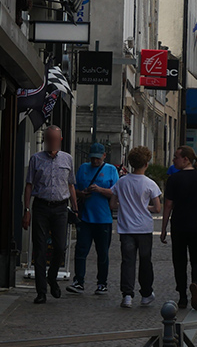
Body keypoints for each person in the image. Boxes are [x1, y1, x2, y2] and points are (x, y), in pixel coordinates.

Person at [22, 125, 78, 304]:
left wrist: (75, 208)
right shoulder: (36, 159)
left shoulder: (67, 159)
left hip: (61, 208)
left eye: (54, 139)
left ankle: (52, 277)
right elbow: (29, 185)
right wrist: (27, 210)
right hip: (41, 207)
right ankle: (41, 291)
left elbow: (71, 185)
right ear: (45, 140)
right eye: (48, 139)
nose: (51, 142)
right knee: (39, 249)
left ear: (60, 140)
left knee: (60, 247)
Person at [161, 146, 197, 310]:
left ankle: (182, 297)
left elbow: (167, 205)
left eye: (176, 157)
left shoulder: (173, 179)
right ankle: (195, 282)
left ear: (186, 159)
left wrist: (164, 228)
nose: (174, 160)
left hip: (179, 226)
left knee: (179, 262)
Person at [112, 146, 163, 308]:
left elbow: (113, 204)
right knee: (145, 261)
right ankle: (146, 293)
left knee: (127, 261)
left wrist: (126, 205)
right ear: (146, 163)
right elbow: (157, 208)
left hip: (126, 228)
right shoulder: (150, 184)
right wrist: (144, 207)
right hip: (144, 228)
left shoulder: (121, 182)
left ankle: (127, 295)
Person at [69, 143, 119, 296]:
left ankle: (102, 283)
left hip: (103, 219)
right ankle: (78, 281)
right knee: (81, 250)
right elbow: (74, 188)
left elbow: (116, 192)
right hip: (85, 218)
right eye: (92, 158)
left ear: (104, 156)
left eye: (97, 158)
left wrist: (100, 190)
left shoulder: (111, 170)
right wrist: (81, 194)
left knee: (102, 252)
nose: (94, 161)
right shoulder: (83, 168)